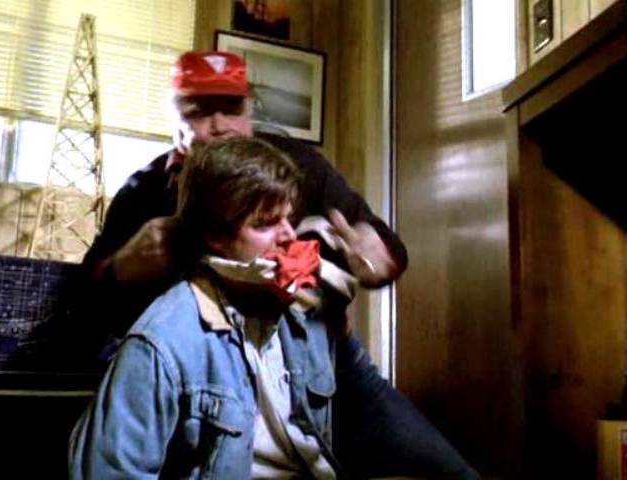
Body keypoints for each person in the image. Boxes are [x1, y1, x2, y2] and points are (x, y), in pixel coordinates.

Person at [76, 51, 478, 478]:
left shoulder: (296, 165)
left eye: (232, 108)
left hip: (322, 367)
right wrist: (120, 268)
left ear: (250, 108)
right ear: (171, 113)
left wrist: (376, 255)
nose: (219, 125)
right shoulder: (141, 195)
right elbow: (82, 304)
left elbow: (383, 246)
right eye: (198, 111)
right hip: (207, 380)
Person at [70, 137, 353, 477]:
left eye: (288, 219)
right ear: (215, 237)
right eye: (265, 223)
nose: (289, 236)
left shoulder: (307, 317)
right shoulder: (161, 343)